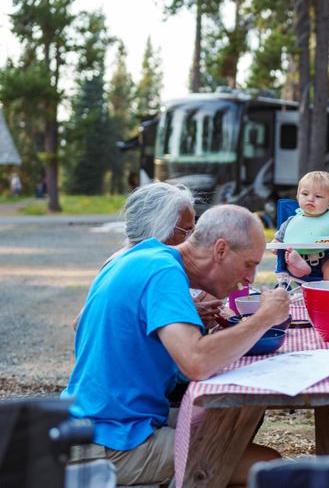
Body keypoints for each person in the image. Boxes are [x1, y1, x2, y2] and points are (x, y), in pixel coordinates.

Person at [64, 205, 289, 486]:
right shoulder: (164, 273)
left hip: (95, 422)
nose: (250, 278)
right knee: (266, 465)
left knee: (232, 425)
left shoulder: (148, 257)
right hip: (108, 441)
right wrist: (264, 318)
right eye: (248, 264)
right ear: (220, 250)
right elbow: (196, 362)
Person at [71, 182, 223, 332]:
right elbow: (81, 323)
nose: (191, 239)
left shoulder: (127, 258)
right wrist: (182, 314)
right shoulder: (152, 265)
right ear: (160, 229)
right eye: (186, 231)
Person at [271, 170, 329, 280]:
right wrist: (275, 245)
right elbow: (278, 239)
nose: (310, 199)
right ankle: (300, 267)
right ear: (298, 196)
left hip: (328, 256)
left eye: (318, 196)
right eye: (305, 194)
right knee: (289, 262)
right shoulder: (291, 221)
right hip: (300, 256)